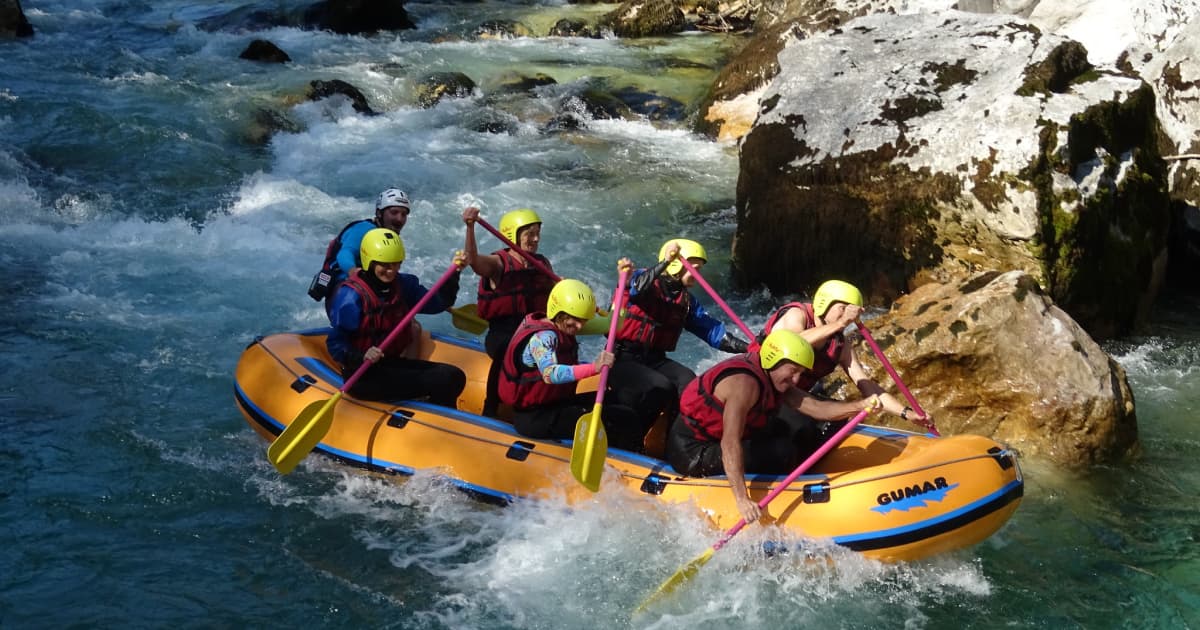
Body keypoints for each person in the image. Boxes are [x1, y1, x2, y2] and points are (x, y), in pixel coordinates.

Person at [667, 328, 878, 523]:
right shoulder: (743, 386)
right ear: (773, 360)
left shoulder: (775, 376)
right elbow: (730, 443)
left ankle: (799, 476)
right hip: (693, 450)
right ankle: (788, 491)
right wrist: (742, 499)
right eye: (793, 371)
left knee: (808, 427)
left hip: (731, 438)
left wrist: (859, 406)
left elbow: (817, 408)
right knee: (781, 451)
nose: (796, 380)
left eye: (800, 373)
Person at [607, 239, 750, 432]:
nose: (698, 276)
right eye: (695, 269)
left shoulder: (687, 301)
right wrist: (666, 260)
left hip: (654, 359)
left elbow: (712, 332)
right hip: (622, 357)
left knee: (689, 382)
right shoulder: (641, 277)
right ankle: (634, 438)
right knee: (661, 387)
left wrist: (748, 347)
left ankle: (672, 437)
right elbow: (637, 289)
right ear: (676, 265)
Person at [498, 277, 650, 451]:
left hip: (558, 403)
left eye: (583, 320)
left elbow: (612, 324)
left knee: (623, 399)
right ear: (559, 312)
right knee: (622, 419)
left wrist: (623, 287)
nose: (579, 326)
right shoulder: (542, 338)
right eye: (575, 320)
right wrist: (594, 367)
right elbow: (550, 374)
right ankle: (625, 462)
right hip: (536, 418)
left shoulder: (564, 324)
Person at [759, 279, 930, 427]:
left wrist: (906, 413)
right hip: (763, 389)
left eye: (851, 309)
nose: (847, 314)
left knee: (838, 419)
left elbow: (867, 385)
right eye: (842, 307)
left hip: (795, 397)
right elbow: (790, 341)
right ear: (824, 303)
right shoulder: (798, 315)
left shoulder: (840, 345)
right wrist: (841, 322)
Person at [326, 228, 466, 406]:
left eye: (396, 264)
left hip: (390, 364)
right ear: (370, 262)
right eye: (385, 265)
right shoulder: (351, 297)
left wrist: (454, 274)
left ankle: (434, 415)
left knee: (454, 375)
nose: (391, 271)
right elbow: (335, 344)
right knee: (446, 379)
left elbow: (438, 303)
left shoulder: (403, 285)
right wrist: (361, 356)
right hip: (362, 375)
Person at [462, 206, 557, 417]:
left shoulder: (541, 263)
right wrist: (470, 227)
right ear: (512, 236)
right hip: (503, 334)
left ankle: (546, 406)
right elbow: (473, 259)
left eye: (537, 234)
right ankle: (491, 407)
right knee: (510, 348)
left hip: (533, 332)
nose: (535, 239)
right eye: (529, 234)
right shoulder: (498, 264)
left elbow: (555, 294)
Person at [309, 188, 413, 316]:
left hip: (369, 289)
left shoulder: (387, 236)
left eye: (404, 214)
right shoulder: (364, 229)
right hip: (343, 294)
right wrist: (353, 271)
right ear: (379, 213)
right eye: (394, 212)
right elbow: (344, 255)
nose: (400, 219)